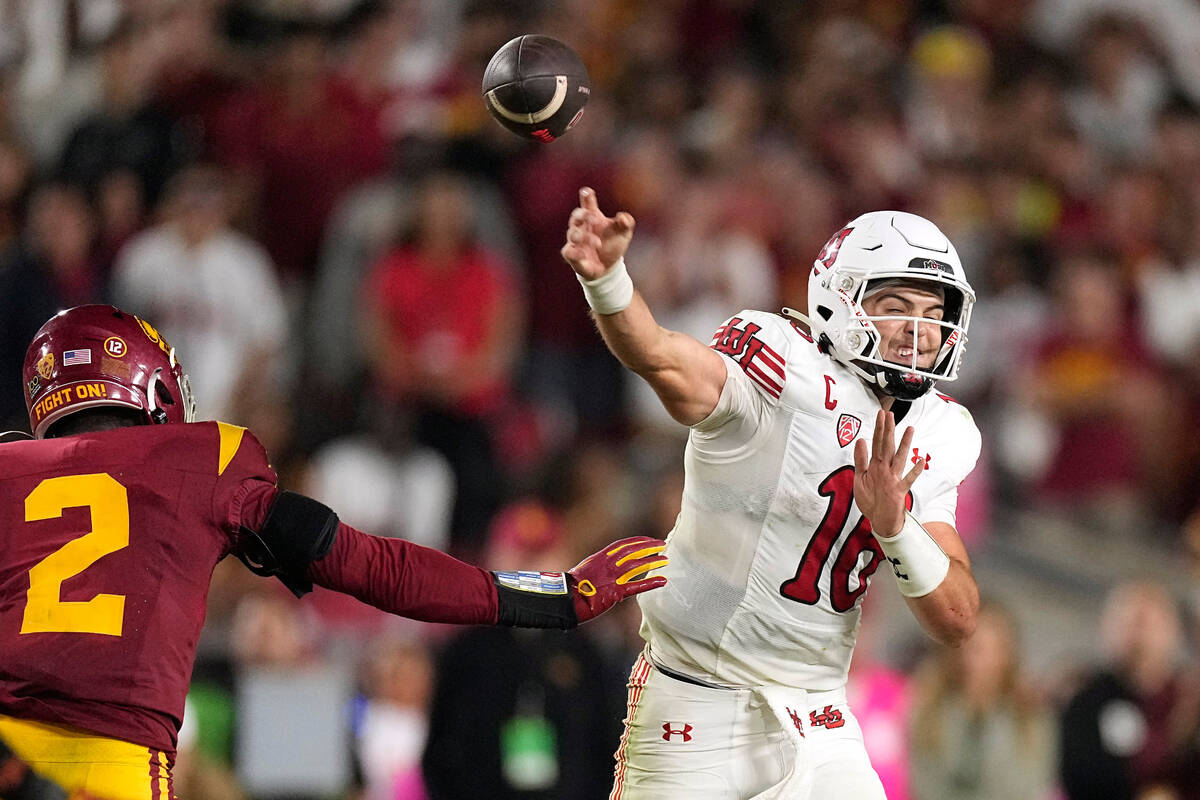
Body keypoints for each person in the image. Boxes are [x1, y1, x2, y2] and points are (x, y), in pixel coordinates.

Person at [0, 304, 669, 799]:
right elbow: (373, 567)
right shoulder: (204, 459)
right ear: (154, 385)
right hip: (107, 759)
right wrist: (554, 598)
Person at [561, 188, 981, 799]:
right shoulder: (782, 360)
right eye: (897, 304)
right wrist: (608, 283)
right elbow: (662, 359)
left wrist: (896, 528)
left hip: (817, 712)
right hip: (694, 700)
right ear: (842, 300)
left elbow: (959, 618)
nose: (920, 330)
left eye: (933, 310)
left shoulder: (941, 430)